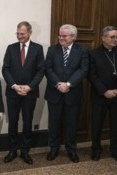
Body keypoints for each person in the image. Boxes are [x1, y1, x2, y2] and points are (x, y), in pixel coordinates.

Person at [2, 21, 45, 165]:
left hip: (29, 93)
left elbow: (41, 71)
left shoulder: (38, 49)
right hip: (13, 92)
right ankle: (12, 150)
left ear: (30, 33)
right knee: (13, 122)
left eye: (22, 34)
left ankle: (25, 151)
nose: (19, 36)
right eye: (17, 33)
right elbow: (5, 69)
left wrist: (29, 87)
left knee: (27, 122)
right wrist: (14, 86)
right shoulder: (11, 48)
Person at [44, 24, 88, 163]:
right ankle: (54, 149)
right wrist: (58, 84)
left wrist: (68, 84)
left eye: (64, 36)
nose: (61, 38)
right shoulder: (52, 50)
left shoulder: (82, 51)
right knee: (54, 123)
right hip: (54, 92)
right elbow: (48, 69)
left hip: (73, 93)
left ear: (73, 37)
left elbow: (83, 70)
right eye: (60, 35)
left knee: (71, 124)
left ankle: (71, 150)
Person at [88, 26, 117, 163]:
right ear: (103, 38)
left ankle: (116, 150)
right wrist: (104, 91)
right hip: (100, 95)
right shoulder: (94, 53)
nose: (115, 39)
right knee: (97, 124)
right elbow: (91, 75)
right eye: (112, 37)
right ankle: (96, 149)